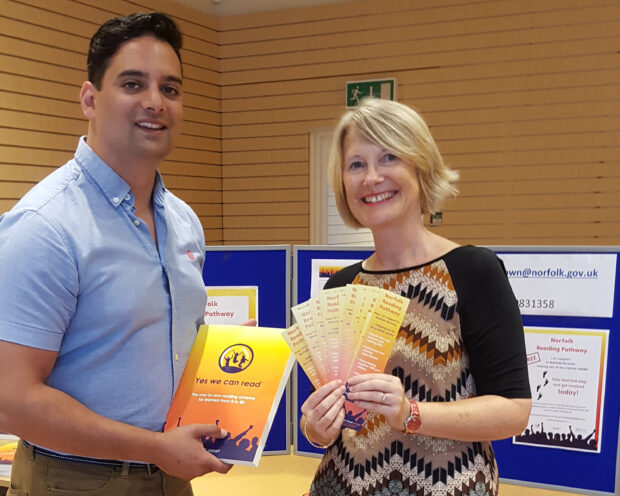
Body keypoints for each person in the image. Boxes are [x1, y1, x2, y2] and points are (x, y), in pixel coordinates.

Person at [0, 12, 232, 496]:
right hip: (73, 482)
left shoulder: (184, 223)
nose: (155, 102)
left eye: (170, 89)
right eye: (132, 83)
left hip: (172, 477)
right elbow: (11, 400)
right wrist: (154, 447)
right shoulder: (46, 227)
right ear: (90, 98)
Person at [300, 98, 532, 496]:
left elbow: (513, 411)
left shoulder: (472, 271)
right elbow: (325, 422)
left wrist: (411, 414)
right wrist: (315, 427)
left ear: (420, 167)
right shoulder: (341, 287)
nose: (371, 178)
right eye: (356, 164)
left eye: (388, 157)